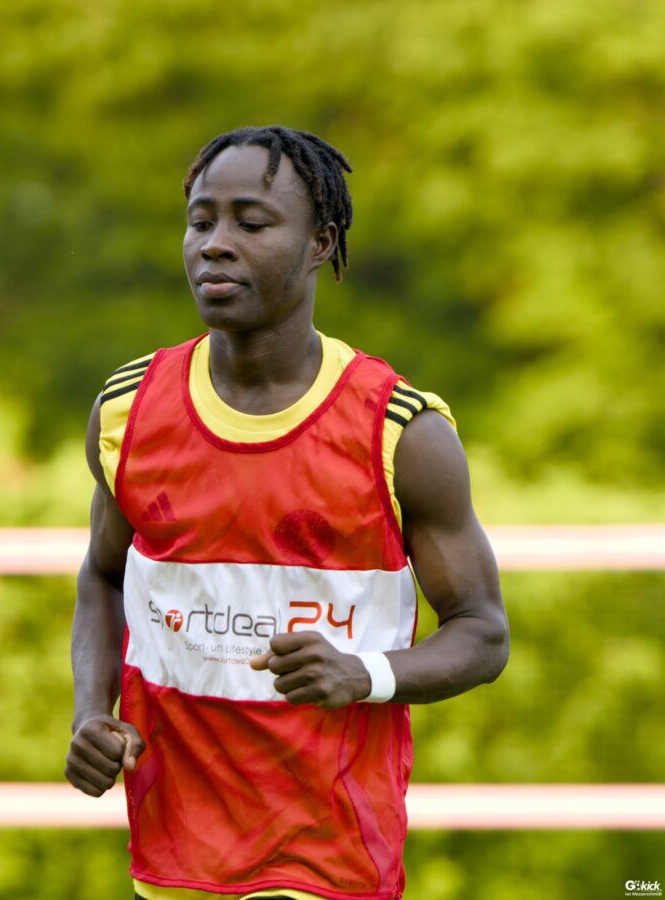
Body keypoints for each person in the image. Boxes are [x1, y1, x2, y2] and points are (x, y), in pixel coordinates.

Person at [65, 125, 509, 900]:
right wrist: (89, 715)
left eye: (250, 222)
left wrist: (363, 674)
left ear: (319, 243)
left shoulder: (399, 434)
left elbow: (482, 631)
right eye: (200, 221)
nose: (215, 243)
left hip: (330, 861)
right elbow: (103, 576)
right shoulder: (127, 409)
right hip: (171, 858)